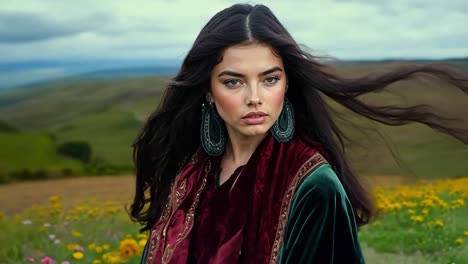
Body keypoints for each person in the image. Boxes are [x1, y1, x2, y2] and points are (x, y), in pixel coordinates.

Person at [130, 3, 468, 264]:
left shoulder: (315, 187)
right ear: (208, 90)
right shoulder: (190, 171)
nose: (254, 97)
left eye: (270, 79)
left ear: (287, 84)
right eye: (233, 81)